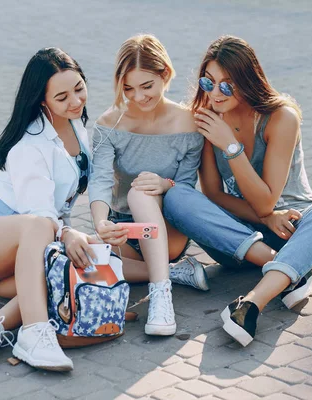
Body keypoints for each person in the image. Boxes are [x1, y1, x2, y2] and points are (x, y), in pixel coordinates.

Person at [163, 35, 312, 346]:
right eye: (209, 83)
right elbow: (216, 196)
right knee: (176, 196)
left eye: (227, 85)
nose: (216, 94)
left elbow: (268, 199)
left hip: (292, 226)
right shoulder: (207, 120)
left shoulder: (280, 117)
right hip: (236, 239)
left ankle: (250, 304)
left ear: (248, 81)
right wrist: (264, 218)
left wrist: (231, 147)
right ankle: (291, 270)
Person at [0, 48, 98, 370]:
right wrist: (67, 232)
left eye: (79, 88)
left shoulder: (76, 127)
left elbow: (60, 208)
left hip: (18, 255)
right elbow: (40, 215)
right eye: (62, 96)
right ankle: (34, 333)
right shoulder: (29, 145)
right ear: (42, 100)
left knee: (76, 265)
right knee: (42, 227)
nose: (75, 101)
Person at [89, 34, 209, 337]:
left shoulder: (187, 122)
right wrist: (100, 221)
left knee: (140, 191)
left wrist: (163, 183)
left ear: (165, 75)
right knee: (80, 255)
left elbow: (184, 188)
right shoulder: (109, 123)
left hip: (169, 230)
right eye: (128, 88)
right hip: (125, 234)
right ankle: (176, 272)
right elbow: (101, 179)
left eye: (147, 86)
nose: (138, 96)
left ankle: (161, 296)